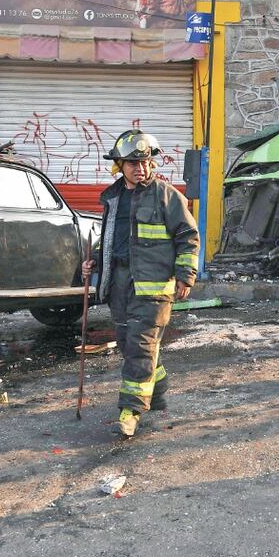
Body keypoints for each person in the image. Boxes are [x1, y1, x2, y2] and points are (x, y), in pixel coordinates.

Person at [81, 130, 199, 438]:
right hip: (119, 284)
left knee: (140, 346)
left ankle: (130, 409)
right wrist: (93, 262)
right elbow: (111, 240)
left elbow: (188, 237)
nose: (140, 168)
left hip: (155, 287)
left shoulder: (166, 195)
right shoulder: (113, 198)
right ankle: (157, 389)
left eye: (145, 162)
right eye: (133, 163)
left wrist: (186, 274)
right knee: (128, 343)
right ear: (120, 165)